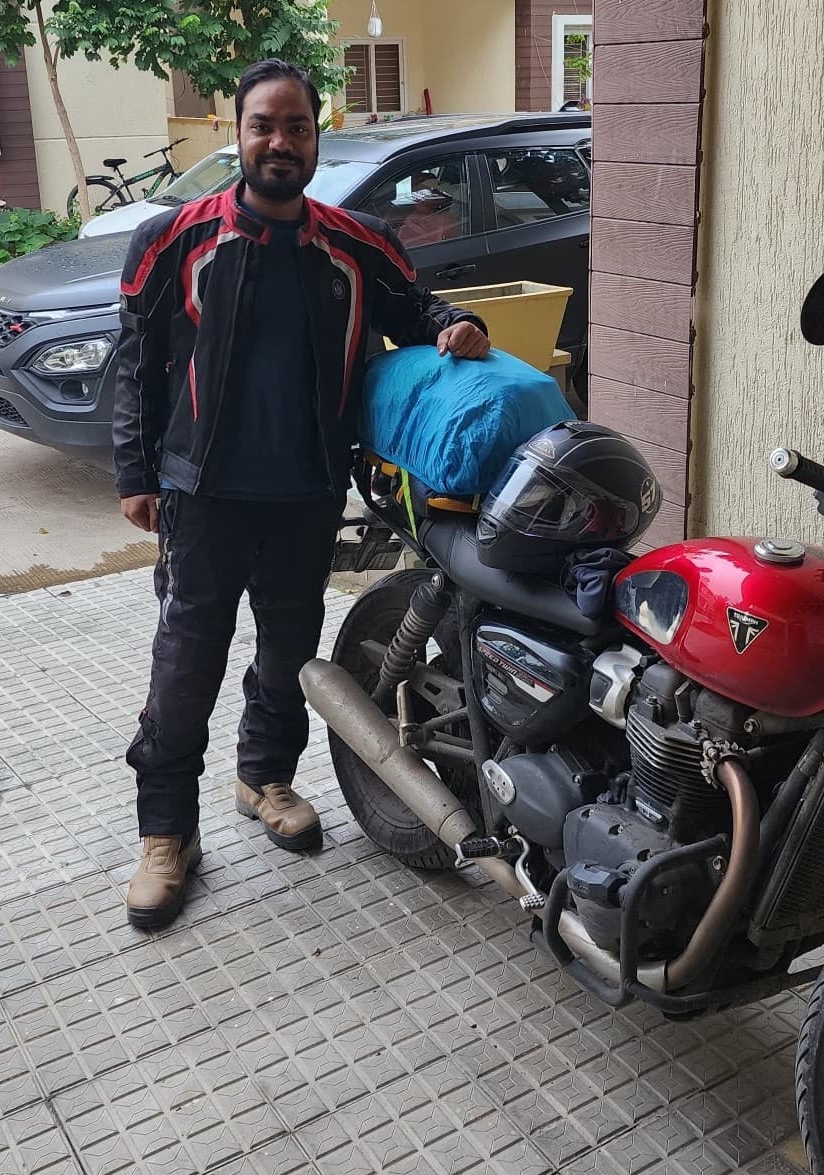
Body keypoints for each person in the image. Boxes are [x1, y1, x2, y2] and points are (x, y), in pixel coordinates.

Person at [113, 57, 490, 930]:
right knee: (184, 667)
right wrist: (135, 475)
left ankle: (265, 777)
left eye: (296, 127)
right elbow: (135, 359)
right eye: (263, 125)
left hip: (308, 490)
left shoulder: (354, 242)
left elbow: (412, 306)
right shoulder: (177, 239)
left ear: (317, 136)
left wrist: (452, 326)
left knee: (291, 648)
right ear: (236, 133)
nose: (279, 141)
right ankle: (166, 832)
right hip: (202, 495)